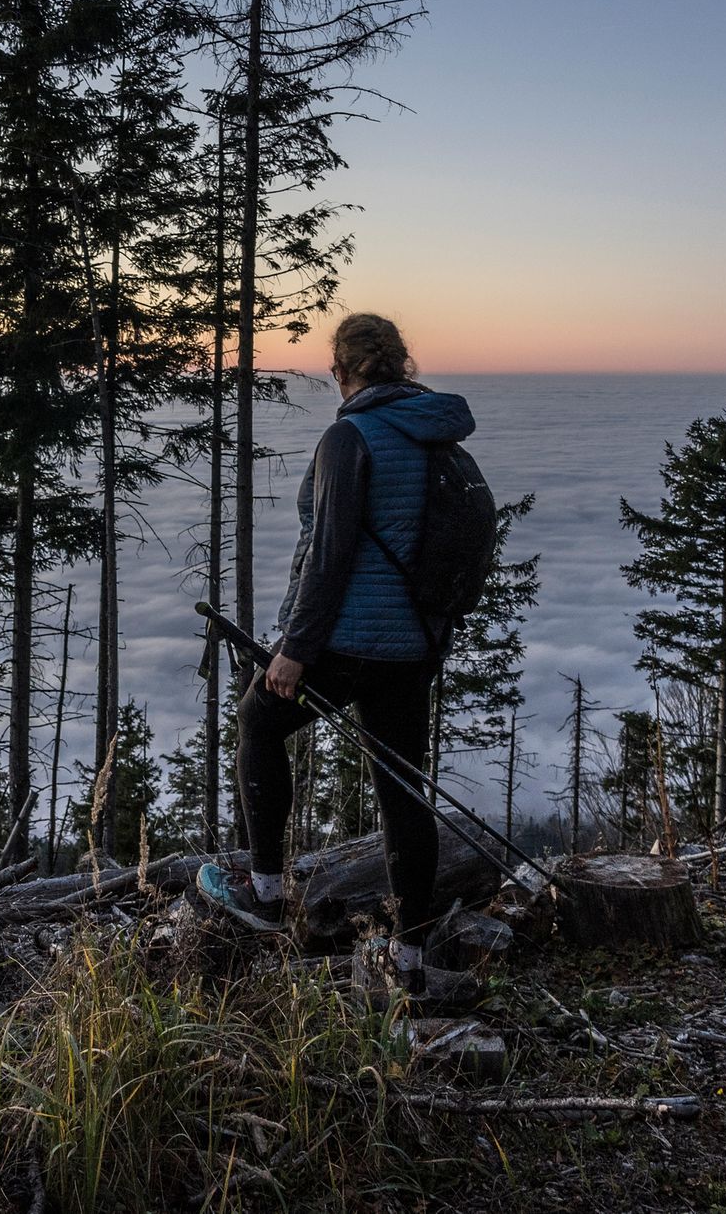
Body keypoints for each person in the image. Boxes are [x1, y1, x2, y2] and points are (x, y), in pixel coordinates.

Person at [196, 312, 475, 994]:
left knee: (259, 721)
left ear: (340, 371)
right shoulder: (440, 437)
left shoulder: (348, 437)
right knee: (402, 790)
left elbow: (328, 557)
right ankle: (407, 963)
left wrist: (293, 649)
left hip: (346, 639)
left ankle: (264, 890)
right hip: (413, 644)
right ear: (402, 364)